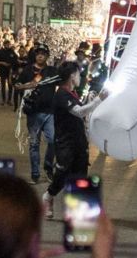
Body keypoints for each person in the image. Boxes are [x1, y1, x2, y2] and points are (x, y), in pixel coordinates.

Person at [43, 61, 105, 219]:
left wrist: (92, 99)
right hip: (66, 142)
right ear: (72, 76)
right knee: (62, 174)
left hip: (79, 141)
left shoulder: (72, 94)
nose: (80, 77)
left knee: (80, 175)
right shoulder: (61, 95)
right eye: (78, 74)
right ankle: (48, 197)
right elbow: (79, 112)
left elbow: (81, 109)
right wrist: (99, 100)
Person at [16, 45, 58, 184]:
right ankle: (35, 174)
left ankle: (48, 167)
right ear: (35, 55)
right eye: (38, 53)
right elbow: (16, 84)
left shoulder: (51, 71)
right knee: (34, 144)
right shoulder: (28, 70)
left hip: (49, 112)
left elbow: (63, 81)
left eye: (43, 54)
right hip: (33, 113)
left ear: (47, 56)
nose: (40, 56)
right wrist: (25, 86)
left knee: (52, 140)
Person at [0, 40, 18, 106]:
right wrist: (3, 63)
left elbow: (16, 59)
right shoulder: (0, 52)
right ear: (4, 44)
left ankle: (9, 100)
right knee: (3, 86)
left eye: (9, 44)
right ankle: (3, 100)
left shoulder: (11, 51)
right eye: (6, 44)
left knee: (10, 85)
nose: (8, 45)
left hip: (10, 71)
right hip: (2, 70)